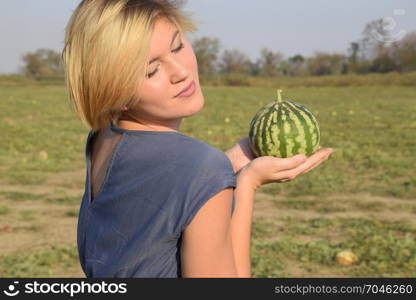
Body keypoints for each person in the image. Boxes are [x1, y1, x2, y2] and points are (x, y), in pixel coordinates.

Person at [62, 0, 333, 278]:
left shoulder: (103, 138)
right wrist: (247, 183)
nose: (181, 71)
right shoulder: (199, 166)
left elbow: (149, 213)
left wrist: (223, 169)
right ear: (112, 87)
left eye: (178, 46)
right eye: (151, 70)